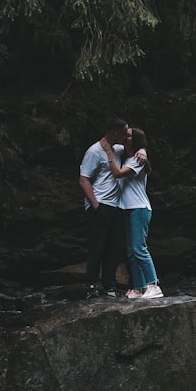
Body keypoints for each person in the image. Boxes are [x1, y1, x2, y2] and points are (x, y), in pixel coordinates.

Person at [102, 127, 163, 299]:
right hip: (126, 208)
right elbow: (110, 143)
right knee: (130, 252)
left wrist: (142, 150)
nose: (124, 137)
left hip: (139, 208)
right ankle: (138, 287)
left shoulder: (138, 159)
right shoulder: (124, 153)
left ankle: (153, 284)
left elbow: (118, 173)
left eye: (127, 136)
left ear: (134, 140)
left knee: (139, 248)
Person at [79, 118, 130, 298]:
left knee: (114, 247)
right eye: (125, 133)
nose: (126, 137)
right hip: (100, 204)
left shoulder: (117, 149)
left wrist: (144, 153)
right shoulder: (94, 151)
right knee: (97, 246)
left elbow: (136, 146)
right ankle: (92, 284)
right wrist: (95, 205)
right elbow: (84, 179)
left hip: (116, 206)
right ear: (116, 133)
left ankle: (109, 284)